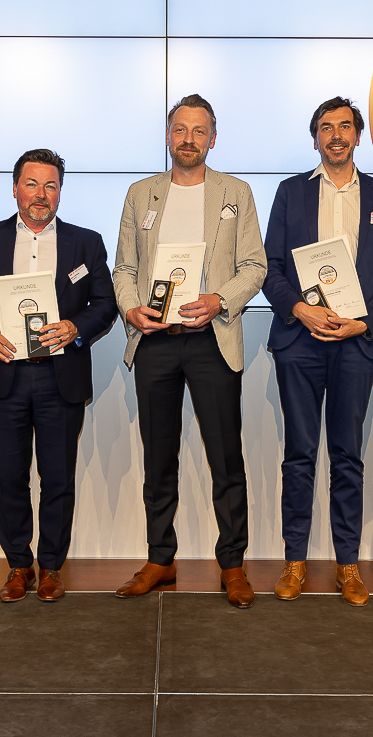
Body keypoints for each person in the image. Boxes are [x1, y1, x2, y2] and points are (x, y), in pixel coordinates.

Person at [112, 94, 267, 608]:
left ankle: (233, 564)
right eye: (180, 130)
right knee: (159, 457)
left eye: (199, 131)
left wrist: (218, 299)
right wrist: (131, 309)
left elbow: (255, 266)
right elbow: (124, 269)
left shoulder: (236, 192)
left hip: (212, 340)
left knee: (226, 458)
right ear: (167, 135)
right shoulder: (141, 194)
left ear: (213, 138)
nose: (189, 139)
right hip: (155, 342)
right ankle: (161, 558)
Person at [0, 149, 117, 603]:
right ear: (15, 187)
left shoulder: (87, 243)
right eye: (32, 184)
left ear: (60, 190)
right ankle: (18, 566)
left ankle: (52, 568)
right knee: (10, 476)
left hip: (60, 375)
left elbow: (106, 304)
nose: (41, 195)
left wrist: (75, 328)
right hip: (6, 375)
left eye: (50, 185)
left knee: (58, 478)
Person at [261, 97, 373, 605]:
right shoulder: (290, 193)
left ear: (358, 136)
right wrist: (300, 309)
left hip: (353, 345)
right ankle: (294, 562)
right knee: (298, 456)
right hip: (299, 341)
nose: (335, 135)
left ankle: (348, 565)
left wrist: (362, 324)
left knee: (348, 458)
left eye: (345, 126)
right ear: (315, 137)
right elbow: (270, 266)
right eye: (326, 127)